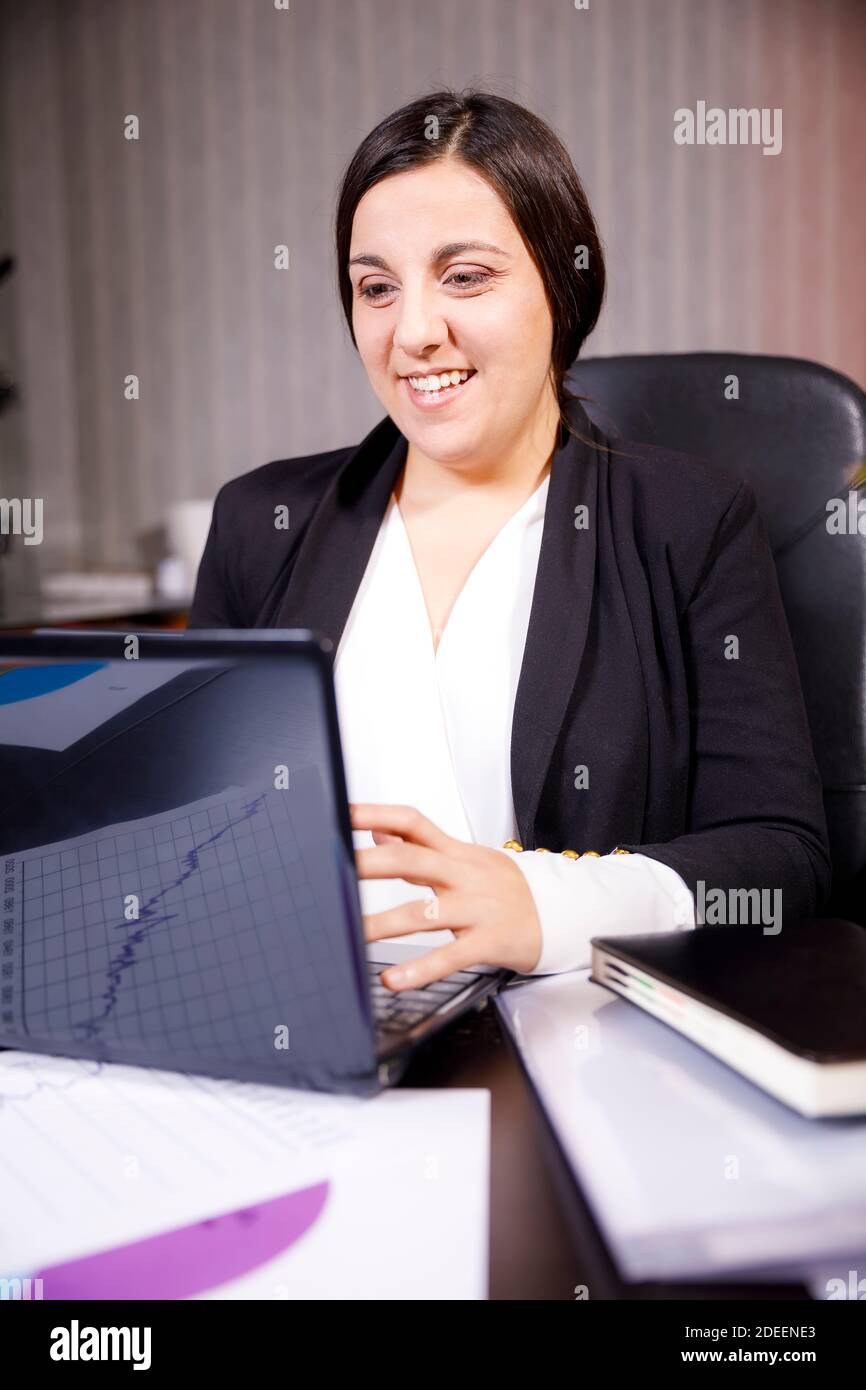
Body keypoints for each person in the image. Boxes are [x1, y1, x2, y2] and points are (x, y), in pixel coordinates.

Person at [188, 89, 830, 994]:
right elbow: (189, 840)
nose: (413, 332)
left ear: (561, 291)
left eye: (466, 276)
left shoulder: (689, 521)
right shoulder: (262, 522)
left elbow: (780, 858)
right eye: (377, 288)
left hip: (576, 1044)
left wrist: (549, 902)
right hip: (311, 1034)